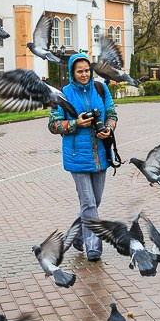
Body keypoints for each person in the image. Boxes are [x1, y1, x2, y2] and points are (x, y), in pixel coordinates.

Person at [47, 54, 118, 262]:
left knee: (95, 201)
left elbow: (112, 114)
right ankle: (93, 247)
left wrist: (108, 128)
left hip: (101, 154)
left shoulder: (101, 89)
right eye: (80, 71)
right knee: (88, 202)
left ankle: (77, 235)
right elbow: (53, 125)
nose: (84, 74)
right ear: (72, 73)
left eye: (87, 70)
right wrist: (75, 124)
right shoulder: (64, 94)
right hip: (77, 156)